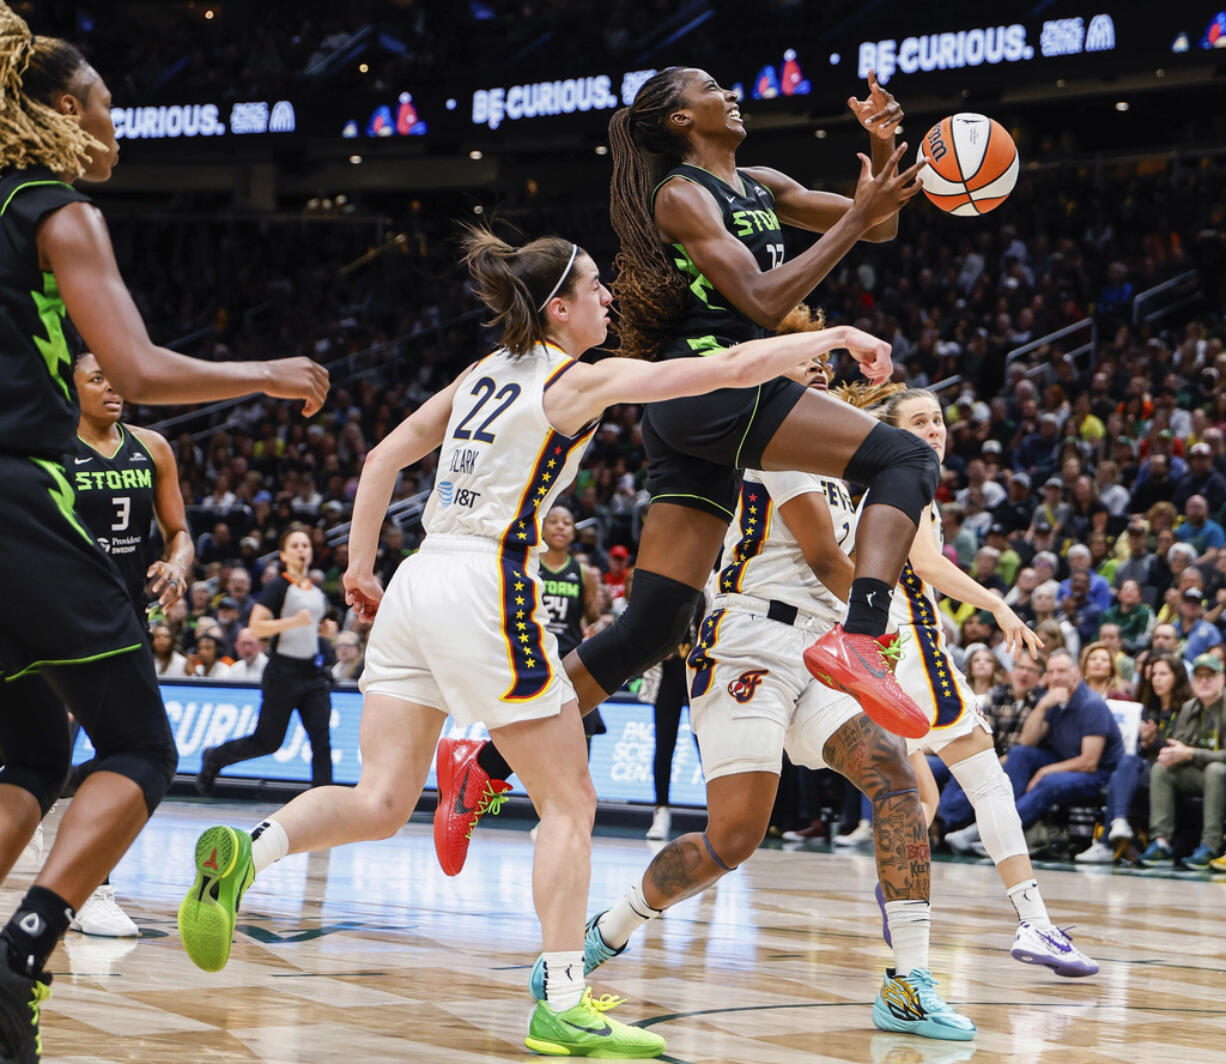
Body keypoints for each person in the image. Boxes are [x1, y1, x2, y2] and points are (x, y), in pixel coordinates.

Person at [175, 227, 893, 1058]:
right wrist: (834, 336)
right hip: (487, 580)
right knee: (570, 803)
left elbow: (380, 459)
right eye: (595, 287)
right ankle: (561, 997)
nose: (610, 297)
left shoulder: (476, 376)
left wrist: (362, 566)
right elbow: (725, 370)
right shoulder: (573, 381)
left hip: (415, 581)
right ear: (559, 307)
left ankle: (249, 852)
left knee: (379, 800)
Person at [434, 66, 943, 871]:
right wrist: (849, 234)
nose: (732, 92)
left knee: (656, 626)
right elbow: (765, 302)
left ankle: (483, 766)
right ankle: (864, 637)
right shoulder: (683, 195)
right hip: (711, 384)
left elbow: (871, 228)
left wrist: (882, 157)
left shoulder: (761, 182)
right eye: (713, 86)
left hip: (694, 410)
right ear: (679, 119)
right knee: (906, 456)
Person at [0, 12, 327, 1059]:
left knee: (31, 749)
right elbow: (134, 373)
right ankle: (20, 953)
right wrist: (264, 373)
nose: (116, 128)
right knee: (140, 743)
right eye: (107, 107)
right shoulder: (57, 211)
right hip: (22, 491)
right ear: (63, 109)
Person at [560, 360, 974, 1041]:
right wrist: (892, 627)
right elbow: (820, 553)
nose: (814, 369)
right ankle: (612, 927)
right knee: (733, 838)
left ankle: (909, 983)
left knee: (896, 778)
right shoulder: (772, 436)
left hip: (819, 649)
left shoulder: (846, 455)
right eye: (798, 357)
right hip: (749, 641)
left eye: (822, 361)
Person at [869, 390, 1097, 976]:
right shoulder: (908, 473)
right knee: (989, 784)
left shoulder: (868, 477)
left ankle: (899, 893)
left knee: (919, 798)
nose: (935, 430)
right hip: (913, 644)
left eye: (939, 419)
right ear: (892, 430)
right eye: (919, 421)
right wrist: (998, 603)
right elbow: (927, 564)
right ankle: (1036, 924)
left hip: (877, 651)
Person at [62, 352, 195, 938]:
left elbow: (180, 532)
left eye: (117, 380)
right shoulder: (50, 447)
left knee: (130, 753)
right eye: (98, 379)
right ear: (73, 386)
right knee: (40, 757)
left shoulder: (153, 448)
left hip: (126, 621)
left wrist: (177, 564)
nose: (112, 388)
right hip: (58, 617)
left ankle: (94, 887)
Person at [196, 527, 333, 793]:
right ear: (283, 554)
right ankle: (215, 757)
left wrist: (321, 631)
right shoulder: (278, 587)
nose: (302, 550)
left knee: (321, 739)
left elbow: (308, 627)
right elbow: (256, 627)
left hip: (313, 675)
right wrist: (293, 622)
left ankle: (323, 800)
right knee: (267, 742)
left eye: (306, 545)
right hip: (283, 674)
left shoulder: (316, 591)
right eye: (295, 546)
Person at [962, 649, 1123, 848]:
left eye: (1062, 671)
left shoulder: (1091, 705)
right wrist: (1042, 706)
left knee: (1049, 781)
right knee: (1020, 755)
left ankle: (993, 833)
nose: (1056, 677)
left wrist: (1044, 771)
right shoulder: (1052, 699)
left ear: (1077, 673)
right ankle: (991, 821)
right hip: (1065, 760)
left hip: (1099, 773)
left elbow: (1089, 763)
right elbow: (1027, 742)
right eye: (1051, 672)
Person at [1075, 653, 1189, 864]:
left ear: (1177, 677)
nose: (1157, 679)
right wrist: (1144, 743)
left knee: (1125, 768)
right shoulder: (1144, 707)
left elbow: (1181, 750)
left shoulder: (1187, 708)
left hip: (1172, 772)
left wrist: (1153, 741)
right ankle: (1116, 826)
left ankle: (1106, 843)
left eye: (1163, 674)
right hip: (1141, 769)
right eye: (1153, 674)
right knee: (1124, 765)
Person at [1139, 653, 1226, 870]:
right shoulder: (1189, 708)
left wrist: (1191, 754)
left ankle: (1210, 845)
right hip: (1200, 774)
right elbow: (1180, 746)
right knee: (1161, 769)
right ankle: (1161, 843)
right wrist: (1172, 753)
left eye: (1210, 675)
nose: (1204, 681)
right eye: (1199, 676)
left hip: (1219, 773)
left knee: (1215, 770)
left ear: (1222, 679)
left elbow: (1191, 753)